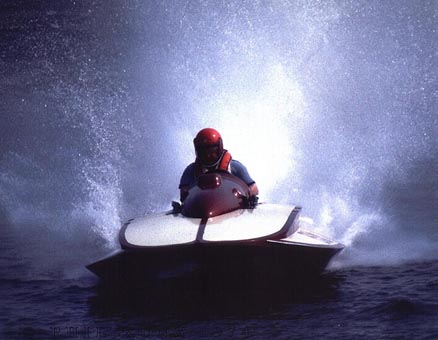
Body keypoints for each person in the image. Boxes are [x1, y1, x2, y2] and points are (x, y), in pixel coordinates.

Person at [179, 128, 259, 203]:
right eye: (204, 153)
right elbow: (183, 194)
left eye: (212, 152)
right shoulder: (190, 170)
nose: (208, 156)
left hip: (231, 207)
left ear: (220, 148)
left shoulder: (234, 167)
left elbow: (254, 189)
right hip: (201, 209)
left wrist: (249, 196)